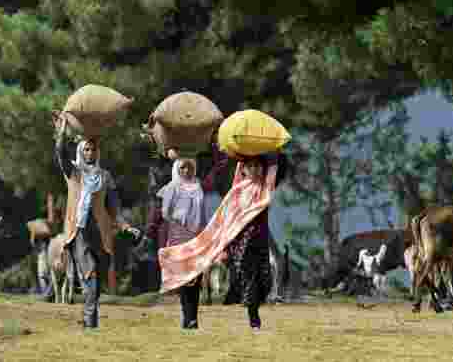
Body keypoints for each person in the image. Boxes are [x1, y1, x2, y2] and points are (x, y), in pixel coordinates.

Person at [158, 144, 289, 332]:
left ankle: (252, 304)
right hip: (241, 242)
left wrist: (275, 152)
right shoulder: (237, 189)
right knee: (249, 280)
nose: (253, 169)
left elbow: (272, 171)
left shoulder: (264, 188)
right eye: (249, 166)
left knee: (265, 282)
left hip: (260, 241)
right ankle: (252, 319)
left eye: (257, 166)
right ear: (243, 169)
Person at [54, 118, 139, 329]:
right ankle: (91, 323)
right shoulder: (73, 173)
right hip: (79, 231)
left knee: (97, 278)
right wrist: (62, 131)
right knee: (90, 274)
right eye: (86, 150)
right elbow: (60, 152)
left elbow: (115, 209)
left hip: (101, 233)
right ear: (81, 151)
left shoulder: (105, 177)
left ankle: (87, 314)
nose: (90, 153)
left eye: (93, 150)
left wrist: (126, 226)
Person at [144, 144, 229, 329]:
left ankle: (192, 318)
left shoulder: (200, 185)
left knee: (196, 278)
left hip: (196, 236)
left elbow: (218, 170)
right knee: (184, 279)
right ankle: (187, 315)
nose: (186, 170)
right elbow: (161, 214)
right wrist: (150, 233)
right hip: (177, 237)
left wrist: (217, 148)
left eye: (189, 166)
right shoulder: (170, 188)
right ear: (176, 168)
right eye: (182, 167)